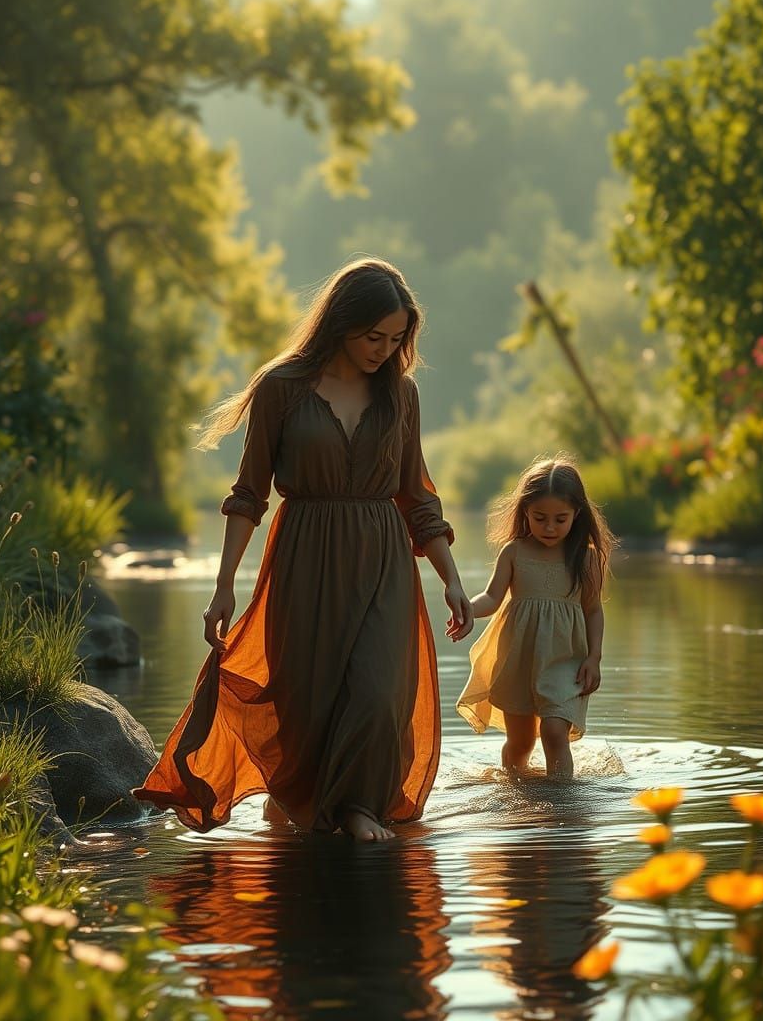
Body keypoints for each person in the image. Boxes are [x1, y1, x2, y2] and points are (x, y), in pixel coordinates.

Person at [133, 258, 473, 841]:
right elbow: (247, 495)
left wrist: (452, 578)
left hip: (384, 562)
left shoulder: (401, 395)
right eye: (374, 337)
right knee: (306, 694)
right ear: (341, 321)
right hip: (303, 559)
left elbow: (417, 496)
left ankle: (359, 809)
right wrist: (222, 589)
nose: (384, 351)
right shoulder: (282, 389)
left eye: (396, 340)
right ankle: (299, 799)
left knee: (379, 691)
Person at [455, 455, 614, 779]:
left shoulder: (585, 558)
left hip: (565, 660)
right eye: (540, 518)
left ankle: (561, 802)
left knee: (555, 733)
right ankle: (517, 794)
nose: (550, 527)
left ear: (576, 514)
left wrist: (594, 657)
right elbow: (492, 598)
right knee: (521, 742)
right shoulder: (514, 552)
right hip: (519, 660)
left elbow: (593, 610)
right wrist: (468, 609)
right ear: (525, 511)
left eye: (560, 518)